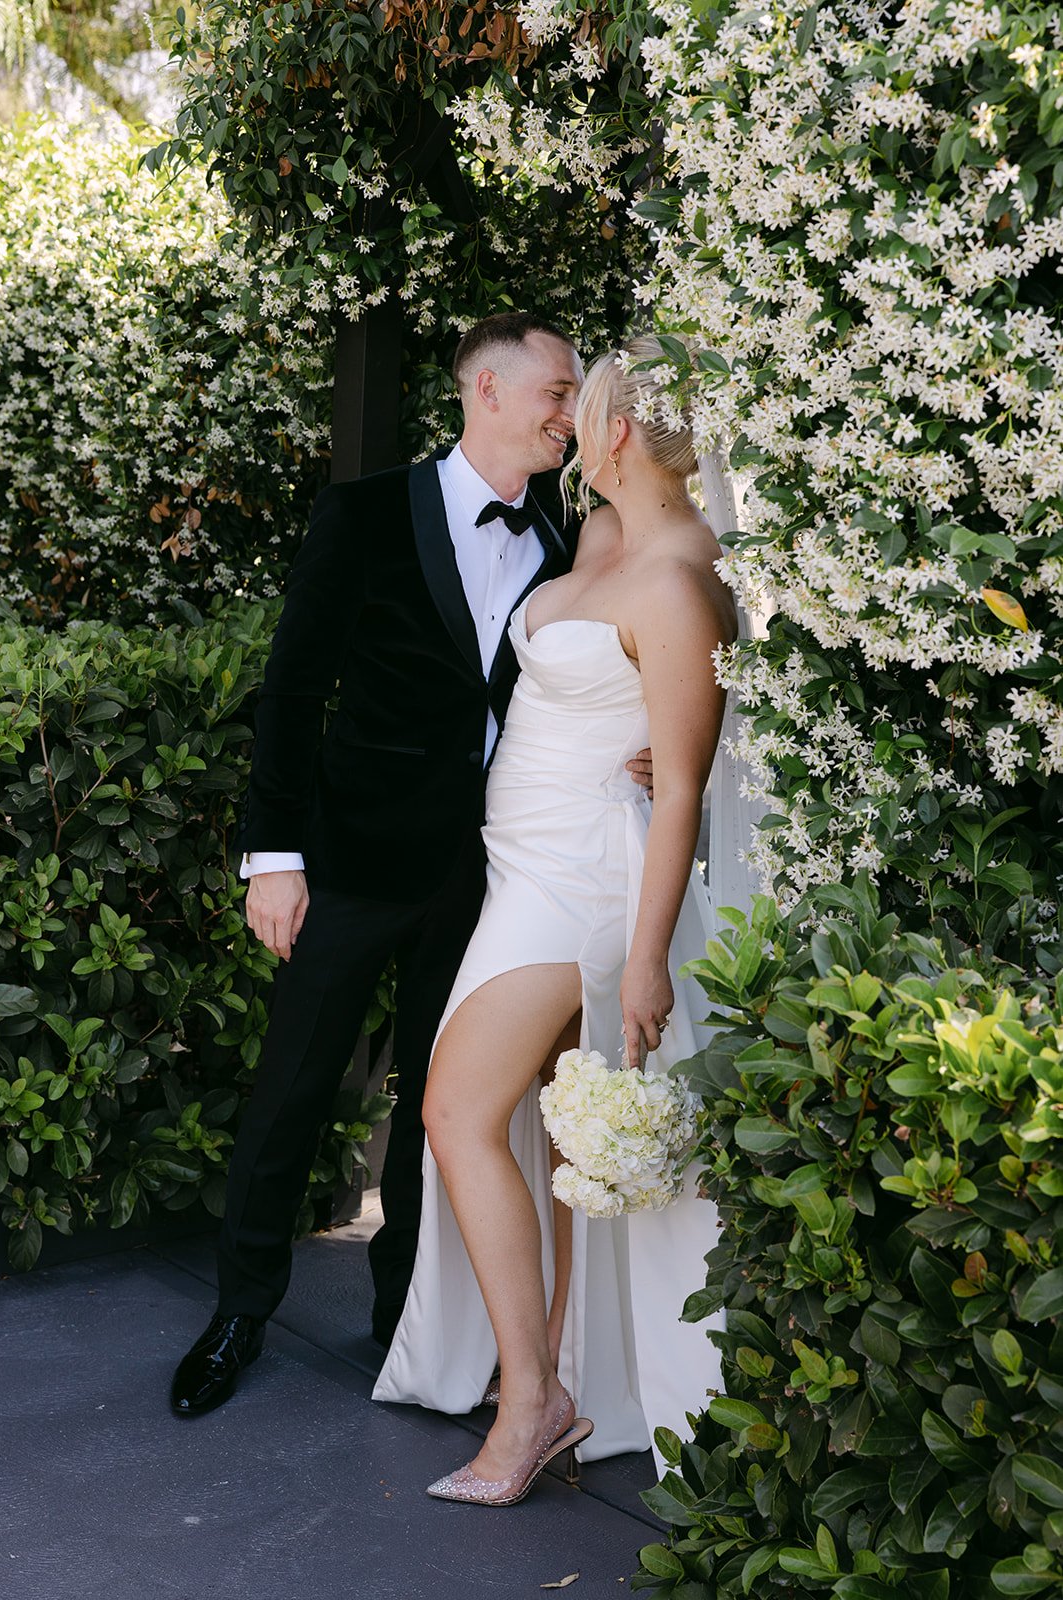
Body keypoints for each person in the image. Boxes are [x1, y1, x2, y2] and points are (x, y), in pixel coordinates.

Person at [169, 312, 654, 1417]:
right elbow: (293, 692)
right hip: (347, 858)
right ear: (484, 390)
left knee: (437, 1114)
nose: (565, 411)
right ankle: (240, 1308)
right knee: (294, 1088)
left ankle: (405, 1326)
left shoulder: (567, 532)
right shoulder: (363, 513)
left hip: (486, 875)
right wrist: (274, 855)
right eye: (553, 389)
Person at [373, 336, 739, 1506]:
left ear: (617, 433)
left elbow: (678, 781)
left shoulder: (679, 575)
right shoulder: (595, 539)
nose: (572, 428)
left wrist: (643, 957)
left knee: (453, 1107)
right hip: (511, 863)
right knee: (541, 1126)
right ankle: (560, 1378)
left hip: (583, 876)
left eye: (583, 412)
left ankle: (532, 1403)